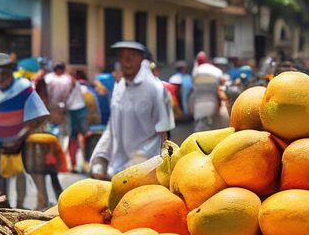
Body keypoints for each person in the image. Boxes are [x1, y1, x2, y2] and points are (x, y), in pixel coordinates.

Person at [92, 41, 174, 178]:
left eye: (132, 56)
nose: (127, 61)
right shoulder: (119, 88)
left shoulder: (155, 89)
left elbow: (164, 133)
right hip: (117, 167)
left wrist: (163, 167)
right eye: (122, 57)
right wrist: (101, 156)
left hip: (144, 165)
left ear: (142, 60)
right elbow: (112, 127)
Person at [0, 53, 49, 207]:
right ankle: (4, 204)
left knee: (21, 172)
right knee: (1, 174)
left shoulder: (23, 87)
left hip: (23, 139)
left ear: (11, 71)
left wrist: (22, 136)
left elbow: (40, 114)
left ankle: (20, 205)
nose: (0, 77)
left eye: (3, 72)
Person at [190, 52, 227, 132]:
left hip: (198, 103)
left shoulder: (195, 72)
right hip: (212, 102)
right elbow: (223, 82)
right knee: (213, 128)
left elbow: (193, 85)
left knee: (199, 128)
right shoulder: (215, 70)